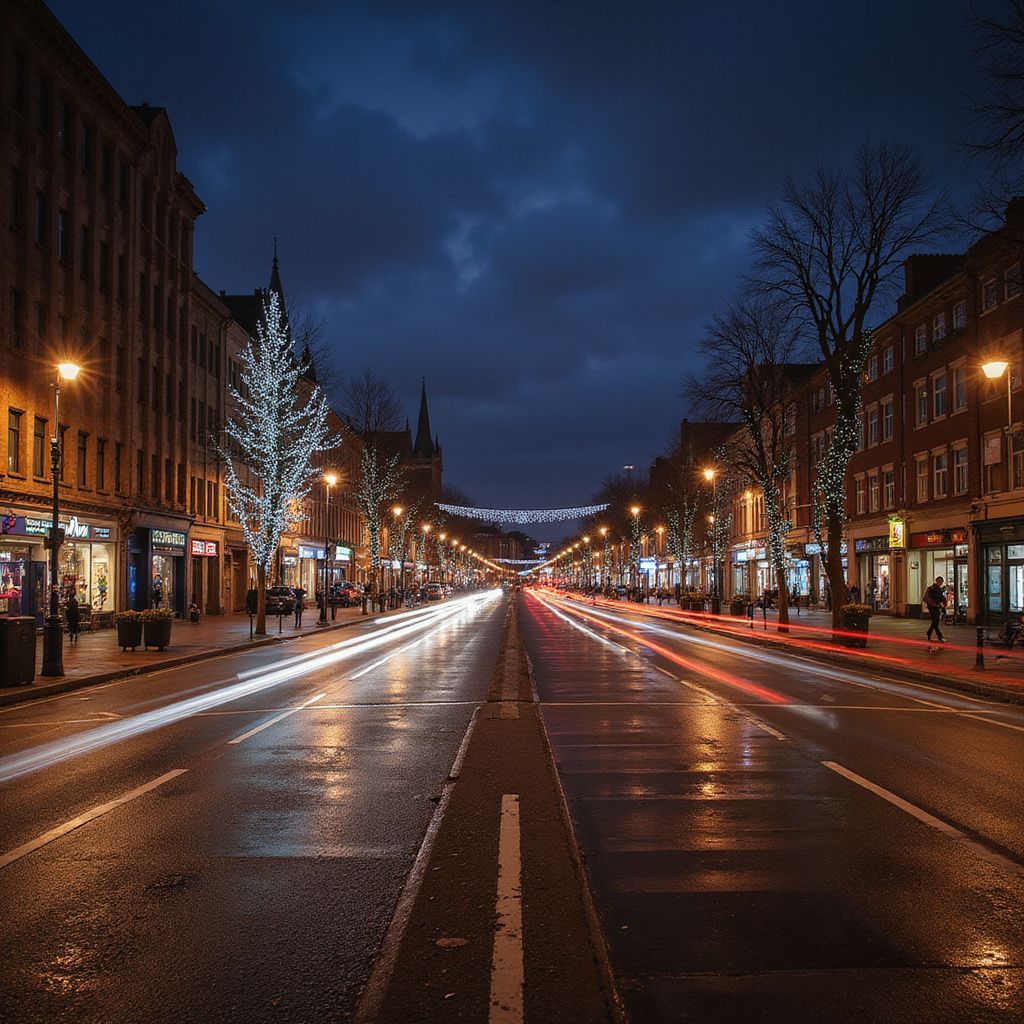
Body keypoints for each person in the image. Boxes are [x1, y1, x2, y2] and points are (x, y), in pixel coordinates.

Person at [924, 575, 947, 643]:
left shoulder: (939, 589)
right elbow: (927, 598)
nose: (941, 583)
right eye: (940, 581)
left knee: (935, 622)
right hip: (933, 607)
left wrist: (943, 605)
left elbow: (941, 599)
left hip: (937, 607)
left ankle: (929, 632)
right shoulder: (932, 588)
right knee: (935, 621)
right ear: (937, 581)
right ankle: (939, 636)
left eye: (941, 582)